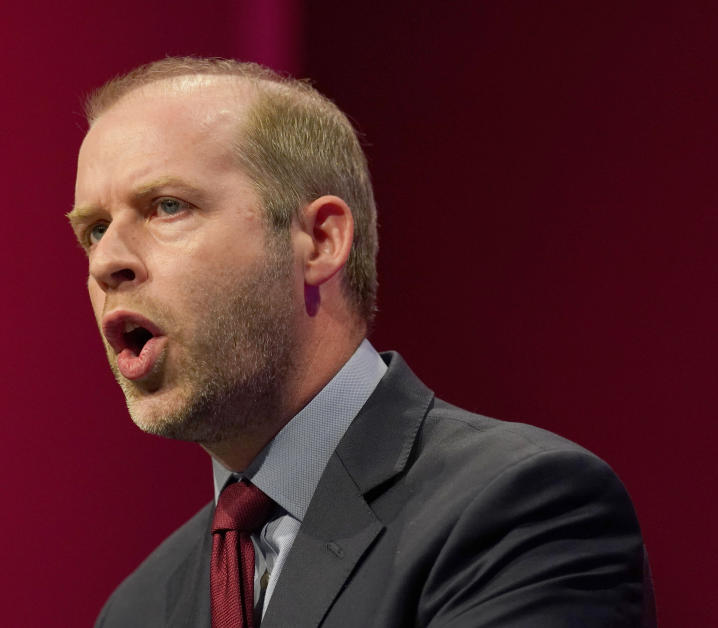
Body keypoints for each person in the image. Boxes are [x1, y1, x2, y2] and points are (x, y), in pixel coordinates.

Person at [69, 57, 653, 627]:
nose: (108, 262)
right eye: (94, 230)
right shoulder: (140, 607)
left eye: (167, 206)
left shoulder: (519, 512)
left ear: (320, 241)